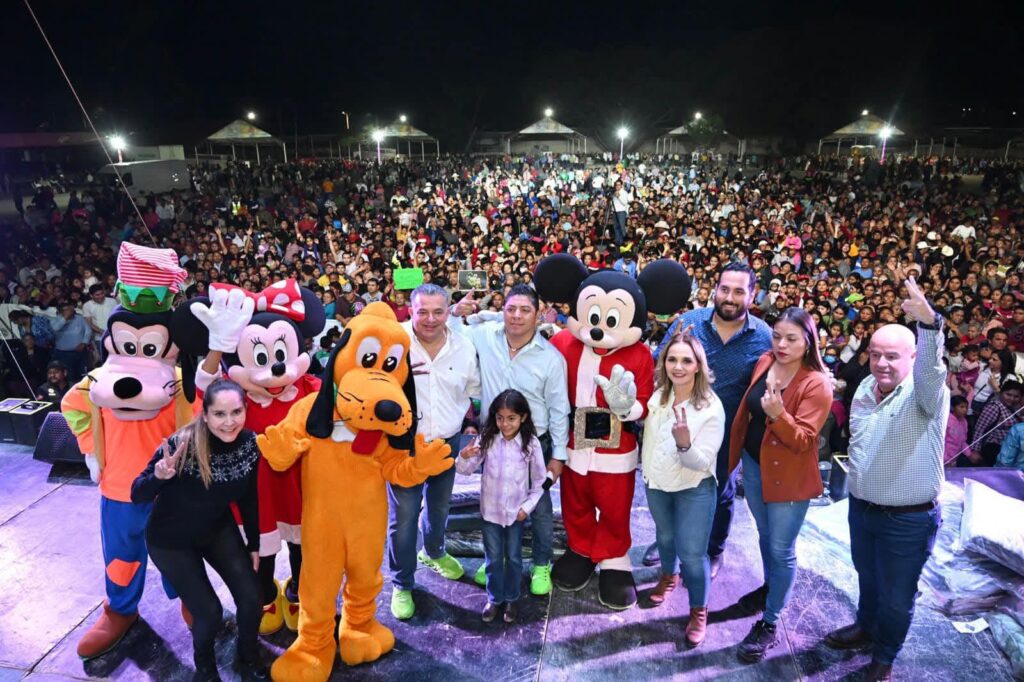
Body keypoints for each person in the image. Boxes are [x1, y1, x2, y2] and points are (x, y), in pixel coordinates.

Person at [824, 277, 948, 682]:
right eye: (876, 354)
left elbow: (932, 370)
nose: (881, 363)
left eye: (892, 356)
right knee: (868, 578)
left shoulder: (926, 394)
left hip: (907, 520)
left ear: (913, 357)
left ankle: (884, 656)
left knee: (896, 597)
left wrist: (929, 325)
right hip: (863, 509)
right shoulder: (866, 386)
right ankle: (865, 627)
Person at [131, 378, 268, 681]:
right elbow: (137, 492)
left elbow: (248, 496)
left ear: (245, 411)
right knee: (209, 613)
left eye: (236, 412)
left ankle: (248, 656)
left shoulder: (250, 444)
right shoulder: (181, 444)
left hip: (216, 529)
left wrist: (254, 543)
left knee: (251, 597)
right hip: (171, 540)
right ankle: (204, 666)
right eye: (219, 414)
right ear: (205, 415)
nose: (229, 422)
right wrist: (159, 476)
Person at [646, 262, 773, 576]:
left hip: (728, 433)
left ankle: (714, 549)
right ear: (715, 289)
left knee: (721, 494)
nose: (729, 297)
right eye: (724, 289)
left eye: (739, 291)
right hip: (680, 426)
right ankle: (668, 541)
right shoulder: (689, 322)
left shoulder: (764, 336)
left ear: (752, 294)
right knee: (671, 485)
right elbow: (660, 366)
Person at [727, 307, 833, 663]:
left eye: (791, 339)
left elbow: (804, 440)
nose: (782, 345)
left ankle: (771, 622)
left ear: (808, 342)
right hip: (754, 465)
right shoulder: (764, 361)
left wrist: (779, 414)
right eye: (776, 337)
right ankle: (771, 588)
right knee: (764, 535)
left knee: (781, 547)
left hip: (788, 477)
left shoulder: (816, 383)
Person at [450, 284, 570, 596]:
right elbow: (453, 334)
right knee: (494, 500)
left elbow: (559, 410)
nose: (516, 316)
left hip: (536, 442)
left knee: (539, 507)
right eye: (511, 309)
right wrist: (454, 312)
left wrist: (558, 456)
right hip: (494, 439)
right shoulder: (485, 336)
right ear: (502, 311)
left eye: (525, 310)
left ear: (538, 314)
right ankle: (496, 561)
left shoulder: (551, 358)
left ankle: (541, 563)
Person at [388, 283, 481, 620]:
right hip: (404, 447)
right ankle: (402, 582)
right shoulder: (394, 342)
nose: (430, 319)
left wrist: (476, 430)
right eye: (422, 311)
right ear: (410, 310)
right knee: (404, 518)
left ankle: (434, 551)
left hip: (447, 442)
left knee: (439, 507)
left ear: (448, 312)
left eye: (438, 312)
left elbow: (474, 390)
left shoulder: (464, 347)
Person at [640, 331, 724, 647]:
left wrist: (684, 443)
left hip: (694, 488)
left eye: (686, 361)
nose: (678, 366)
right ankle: (668, 577)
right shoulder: (660, 395)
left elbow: (701, 463)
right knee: (664, 537)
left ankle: (699, 611)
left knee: (692, 553)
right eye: (672, 359)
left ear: (698, 366)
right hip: (658, 483)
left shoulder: (711, 407)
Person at [456, 389, 545, 624]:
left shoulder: (531, 444)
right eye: (500, 418)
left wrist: (527, 507)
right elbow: (464, 471)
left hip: (516, 514)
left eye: (511, 418)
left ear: (523, 417)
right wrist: (463, 456)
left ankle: (512, 598)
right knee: (493, 558)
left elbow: (539, 482)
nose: (505, 424)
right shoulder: (486, 438)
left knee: (514, 558)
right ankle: (494, 599)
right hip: (490, 513)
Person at [967, 380, 1023, 466]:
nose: (1012, 399)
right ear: (1001, 393)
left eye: (1016, 396)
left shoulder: (1016, 408)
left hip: (1008, 450)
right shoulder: (994, 407)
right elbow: (979, 429)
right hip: (993, 449)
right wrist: (975, 451)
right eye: (1008, 394)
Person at [944, 395, 972, 466]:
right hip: (943, 459)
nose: (964, 410)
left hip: (954, 460)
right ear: (953, 407)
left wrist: (969, 454)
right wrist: (945, 460)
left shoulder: (964, 422)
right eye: (961, 407)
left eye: (966, 407)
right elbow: (941, 442)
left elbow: (963, 442)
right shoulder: (946, 420)